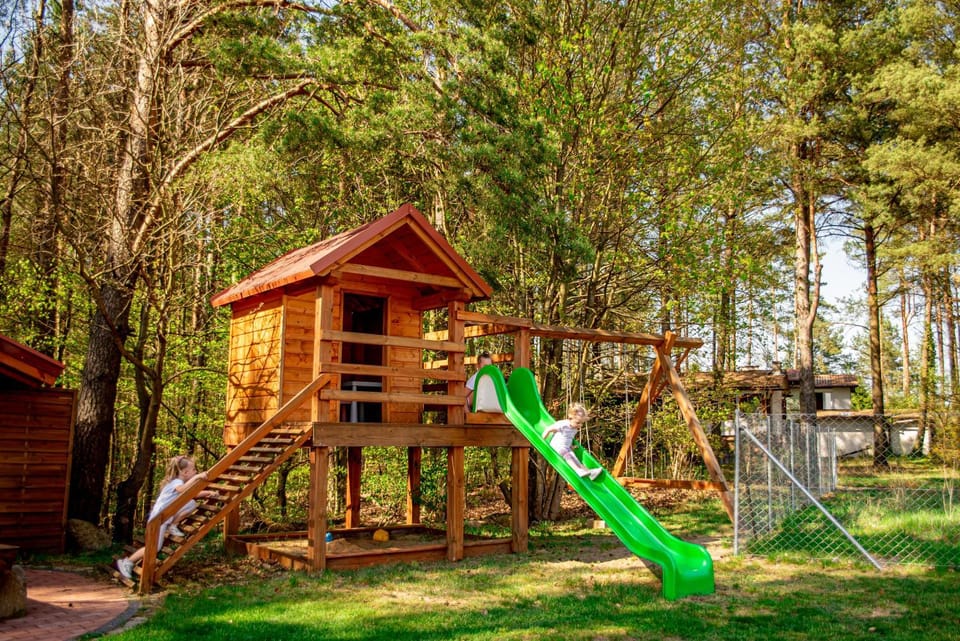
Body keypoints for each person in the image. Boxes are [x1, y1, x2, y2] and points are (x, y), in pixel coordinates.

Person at [116, 455, 214, 580]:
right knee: (154, 547)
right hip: (157, 521)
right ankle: (127, 562)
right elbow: (183, 489)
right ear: (185, 472)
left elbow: (192, 495)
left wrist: (208, 493)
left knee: (191, 504)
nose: (196, 471)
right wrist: (197, 477)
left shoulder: (177, 483)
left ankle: (173, 525)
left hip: (162, 520)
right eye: (194, 470)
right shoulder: (177, 482)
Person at [541, 403, 602, 480]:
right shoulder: (563, 424)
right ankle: (578, 471)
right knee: (568, 456)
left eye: (581, 423)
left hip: (565, 448)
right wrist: (542, 440)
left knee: (575, 459)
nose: (580, 425)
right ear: (570, 418)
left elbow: (567, 439)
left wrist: (571, 447)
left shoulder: (574, 429)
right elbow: (549, 429)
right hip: (557, 446)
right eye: (578, 423)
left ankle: (590, 473)